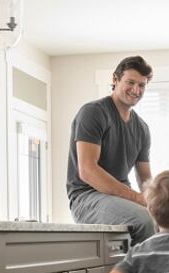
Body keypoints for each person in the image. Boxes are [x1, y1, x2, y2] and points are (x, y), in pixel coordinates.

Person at [67, 55, 156, 244]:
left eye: (141, 85)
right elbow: (88, 170)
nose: (136, 90)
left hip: (123, 198)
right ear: (115, 80)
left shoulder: (142, 128)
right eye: (130, 82)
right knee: (145, 221)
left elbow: (145, 179)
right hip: (87, 197)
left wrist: (159, 201)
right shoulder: (93, 113)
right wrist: (138, 199)